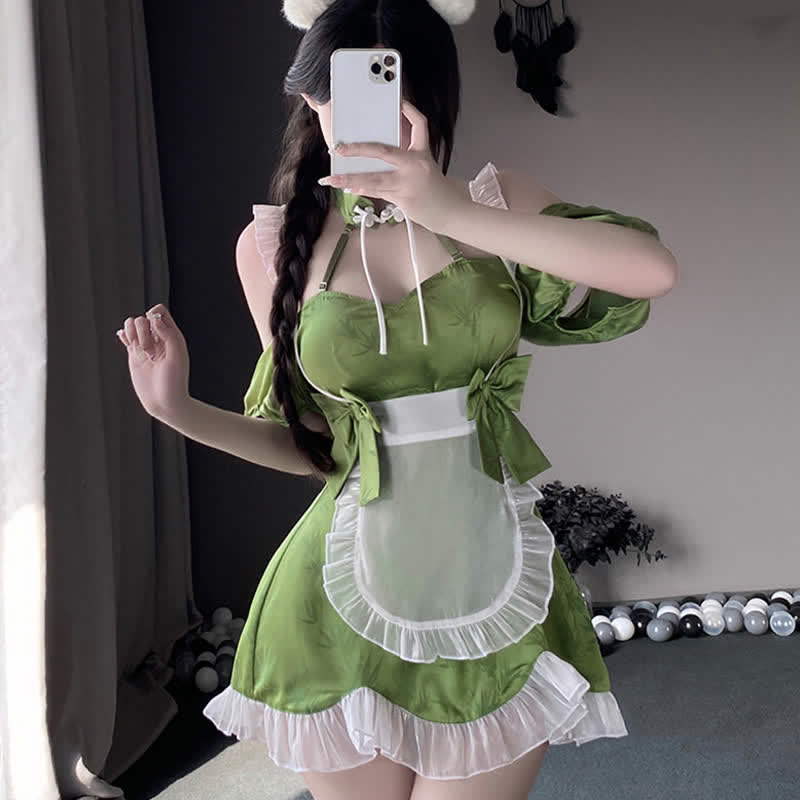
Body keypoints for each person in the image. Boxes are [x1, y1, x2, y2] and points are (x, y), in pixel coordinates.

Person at [116, 1, 678, 798]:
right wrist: (178, 412)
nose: (372, 113)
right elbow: (319, 448)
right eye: (348, 89)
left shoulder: (494, 203)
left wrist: (447, 210)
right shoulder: (272, 246)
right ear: (310, 95)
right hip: (333, 599)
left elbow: (651, 271)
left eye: (394, 87)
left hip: (498, 583)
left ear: (435, 97)